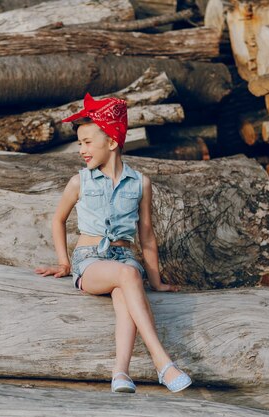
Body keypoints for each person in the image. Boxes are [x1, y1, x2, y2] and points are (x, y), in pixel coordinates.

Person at [35, 93, 192, 394]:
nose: (81, 149)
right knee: (129, 275)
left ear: (111, 142)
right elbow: (58, 220)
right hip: (90, 260)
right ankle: (163, 362)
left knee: (125, 294)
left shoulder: (139, 183)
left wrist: (157, 282)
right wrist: (65, 263)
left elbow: (146, 234)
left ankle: (120, 372)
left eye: (87, 142)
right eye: (79, 142)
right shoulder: (80, 181)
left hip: (123, 258)